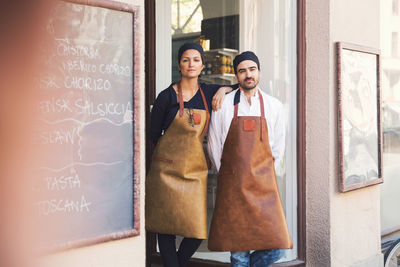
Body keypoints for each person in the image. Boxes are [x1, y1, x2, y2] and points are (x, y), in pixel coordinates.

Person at [145, 42, 234, 267]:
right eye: (186, 60)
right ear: (179, 65)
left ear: (202, 64)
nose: (191, 64)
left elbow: (237, 87)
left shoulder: (208, 91)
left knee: (197, 231)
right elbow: (153, 134)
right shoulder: (166, 96)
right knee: (165, 227)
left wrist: (223, 89)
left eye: (196, 59)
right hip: (165, 171)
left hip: (195, 172)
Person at [207, 51, 293, 267]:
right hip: (234, 187)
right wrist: (228, 173)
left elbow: (277, 147)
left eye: (252, 69)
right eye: (242, 70)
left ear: (259, 72)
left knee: (279, 247)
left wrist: (260, 172)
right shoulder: (224, 104)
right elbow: (214, 144)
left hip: (264, 187)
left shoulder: (274, 106)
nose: (248, 75)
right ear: (236, 76)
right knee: (238, 253)